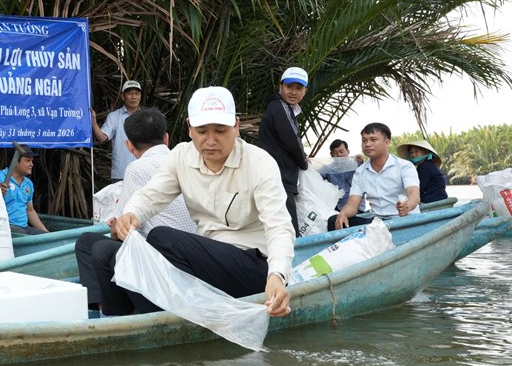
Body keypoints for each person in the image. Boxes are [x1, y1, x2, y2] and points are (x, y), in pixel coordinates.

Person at [92, 86, 294, 318]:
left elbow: (278, 226)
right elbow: (151, 195)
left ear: (236, 126)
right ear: (189, 128)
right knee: (104, 250)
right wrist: (130, 215)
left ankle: (162, 313)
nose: (210, 140)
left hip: (252, 266)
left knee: (161, 237)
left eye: (220, 130)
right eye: (201, 131)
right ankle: (128, 322)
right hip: (206, 262)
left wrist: (277, 276)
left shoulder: (260, 163)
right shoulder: (181, 156)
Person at [75, 108, 197, 307]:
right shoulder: (185, 159)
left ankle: (107, 310)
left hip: (167, 256)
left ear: (129, 146)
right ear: (166, 138)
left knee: (90, 243)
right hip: (194, 249)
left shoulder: (137, 169)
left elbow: (118, 230)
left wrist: (119, 226)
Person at [329, 122, 420, 231]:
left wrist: (407, 206)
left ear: (387, 142)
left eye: (373, 140)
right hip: (379, 223)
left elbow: (414, 195)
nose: (367, 144)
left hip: (404, 220)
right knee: (334, 221)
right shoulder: (360, 172)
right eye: (364, 140)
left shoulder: (404, 166)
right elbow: (353, 205)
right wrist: (343, 213)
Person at [257, 67, 310, 235]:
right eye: (289, 87)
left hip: (278, 178)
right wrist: (303, 162)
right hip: (279, 179)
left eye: (298, 88)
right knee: (289, 233)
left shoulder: (284, 108)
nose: (293, 92)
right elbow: (293, 141)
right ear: (280, 87)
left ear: (304, 91)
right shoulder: (280, 107)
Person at [0, 146, 49, 235]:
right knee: (24, 236)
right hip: (3, 227)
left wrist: (47, 233)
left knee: (44, 237)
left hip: (25, 227)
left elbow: (30, 210)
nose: (32, 164)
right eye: (27, 160)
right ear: (15, 162)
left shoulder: (28, 183)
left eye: (32, 161)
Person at [91, 80, 142, 182]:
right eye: (130, 93)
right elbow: (101, 138)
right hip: (121, 174)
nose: (134, 97)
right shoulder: (114, 117)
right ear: (123, 96)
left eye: (136, 93)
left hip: (143, 173)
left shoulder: (147, 117)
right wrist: (93, 121)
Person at [318, 139, 366, 212]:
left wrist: (361, 161)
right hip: (337, 208)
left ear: (348, 151)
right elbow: (314, 175)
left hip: (357, 208)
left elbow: (368, 170)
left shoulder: (356, 164)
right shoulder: (328, 168)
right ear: (331, 155)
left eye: (341, 151)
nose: (339, 155)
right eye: (335, 152)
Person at [396, 139, 448, 204]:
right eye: (411, 152)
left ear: (426, 152)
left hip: (433, 199)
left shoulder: (424, 166)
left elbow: (419, 187)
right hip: (439, 197)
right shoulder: (429, 164)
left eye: (416, 151)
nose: (413, 155)